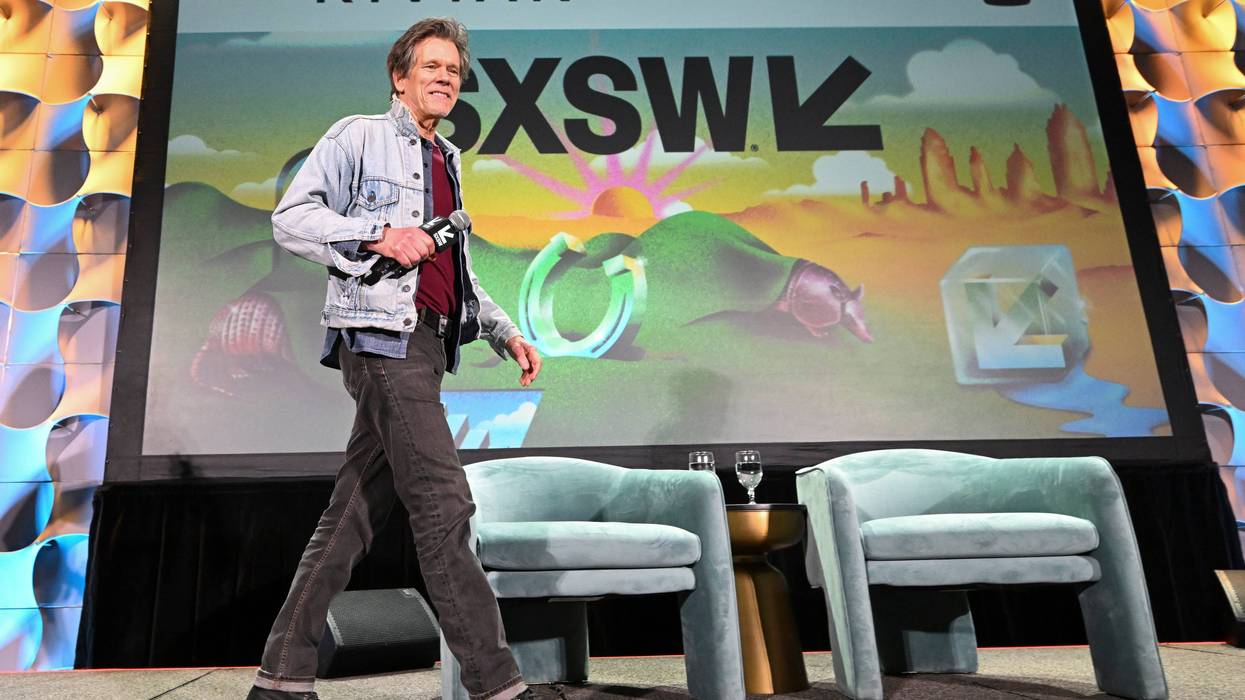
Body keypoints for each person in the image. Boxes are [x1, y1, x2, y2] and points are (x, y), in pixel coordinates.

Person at [246, 17, 552, 700]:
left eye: (453, 71)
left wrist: (503, 332)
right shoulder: (358, 135)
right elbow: (291, 218)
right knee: (444, 501)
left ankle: (281, 677)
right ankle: (499, 686)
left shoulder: (446, 158)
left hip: (429, 339)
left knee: (352, 512)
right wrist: (378, 234)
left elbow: (455, 271)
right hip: (383, 338)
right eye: (432, 67)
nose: (445, 78)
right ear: (399, 75)